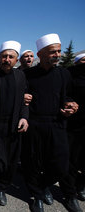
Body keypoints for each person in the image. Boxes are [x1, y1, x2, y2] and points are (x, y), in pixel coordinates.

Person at [22, 33, 79, 212]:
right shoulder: (27, 75)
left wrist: (72, 105)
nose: (57, 55)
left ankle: (54, 189)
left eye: (59, 51)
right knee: (32, 164)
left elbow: (70, 96)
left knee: (61, 165)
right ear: (40, 54)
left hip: (57, 124)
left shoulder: (64, 74)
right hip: (34, 125)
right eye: (52, 52)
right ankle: (37, 196)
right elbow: (18, 97)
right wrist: (22, 97)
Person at [0, 41, 28, 212]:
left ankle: (2, 188)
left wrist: (24, 117)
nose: (7, 59)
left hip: (14, 129)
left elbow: (24, 101)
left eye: (11, 57)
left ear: (16, 60)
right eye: (4, 56)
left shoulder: (21, 76)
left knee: (10, 165)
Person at [59, 53, 85, 212]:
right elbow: (62, 95)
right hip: (74, 125)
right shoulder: (71, 75)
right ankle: (70, 194)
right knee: (72, 160)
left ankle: (81, 186)